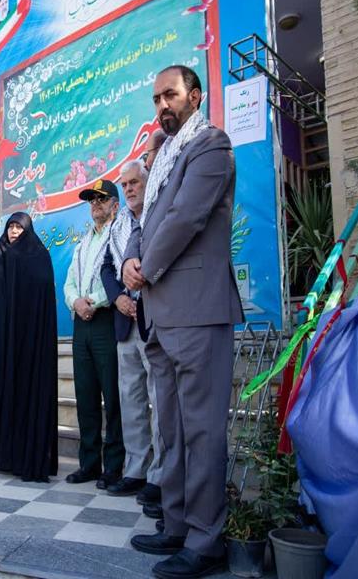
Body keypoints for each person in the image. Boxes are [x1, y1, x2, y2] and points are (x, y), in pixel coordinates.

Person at [123, 65, 244, 579]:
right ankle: (175, 525)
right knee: (170, 431)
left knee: (201, 432)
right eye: (156, 99)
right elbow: (145, 220)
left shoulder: (211, 145)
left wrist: (143, 268)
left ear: (194, 96)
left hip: (197, 311)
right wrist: (130, 260)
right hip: (159, 313)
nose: (161, 106)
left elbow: (186, 218)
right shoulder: (166, 155)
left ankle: (205, 540)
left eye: (169, 95)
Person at [100, 158, 164, 504]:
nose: (129, 189)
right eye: (124, 185)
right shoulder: (118, 225)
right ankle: (136, 470)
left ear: (147, 182)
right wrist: (118, 299)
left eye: (134, 182)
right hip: (125, 322)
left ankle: (161, 475)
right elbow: (107, 268)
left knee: (160, 398)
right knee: (131, 399)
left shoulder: (159, 211)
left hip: (156, 316)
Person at [0, 212, 58, 482]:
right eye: (10, 226)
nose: (13, 231)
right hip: (1, 341)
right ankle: (0, 454)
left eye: (19, 227)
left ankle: (25, 456)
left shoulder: (39, 256)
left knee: (25, 392)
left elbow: (42, 297)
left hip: (28, 342)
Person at [62, 179, 125, 490]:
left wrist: (94, 302)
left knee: (112, 397)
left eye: (101, 199)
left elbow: (120, 277)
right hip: (82, 325)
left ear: (115, 204)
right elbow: (69, 283)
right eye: (92, 201)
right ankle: (89, 464)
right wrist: (76, 302)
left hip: (106, 321)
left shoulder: (120, 234)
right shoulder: (83, 242)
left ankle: (113, 467)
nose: (95, 205)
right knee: (85, 396)